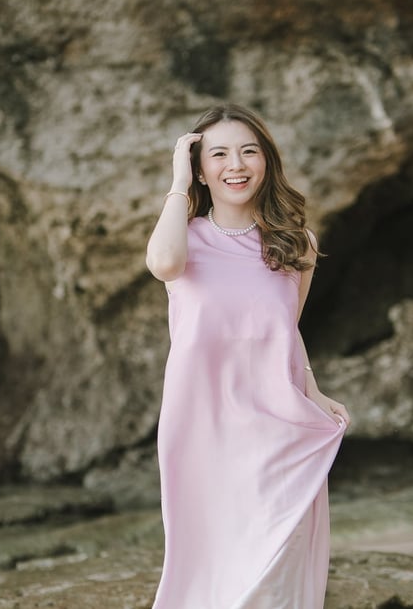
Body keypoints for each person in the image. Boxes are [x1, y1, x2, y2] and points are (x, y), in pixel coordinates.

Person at [146, 103, 350, 608]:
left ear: (266, 161)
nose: (236, 164)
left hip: (276, 423)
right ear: (201, 168)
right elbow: (164, 264)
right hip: (203, 427)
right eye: (219, 154)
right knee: (211, 559)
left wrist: (314, 389)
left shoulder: (294, 244)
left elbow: (288, 329)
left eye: (248, 151)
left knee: (275, 560)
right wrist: (178, 180)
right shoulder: (184, 239)